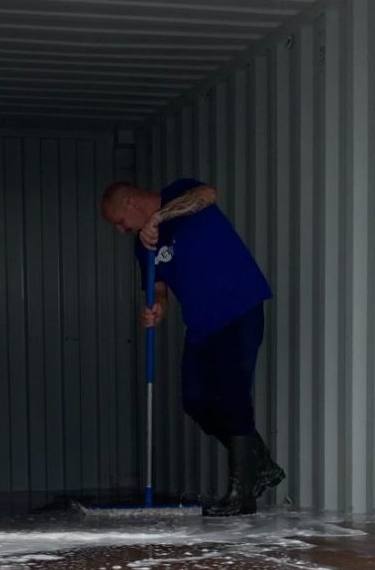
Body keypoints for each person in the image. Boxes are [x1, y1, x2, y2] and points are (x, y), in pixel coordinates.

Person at [99, 179, 285, 516]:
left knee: (233, 394)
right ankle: (260, 461)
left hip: (238, 308)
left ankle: (241, 494)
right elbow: (158, 291)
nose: (120, 229)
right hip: (201, 323)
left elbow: (208, 195)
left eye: (118, 221)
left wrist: (159, 218)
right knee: (196, 400)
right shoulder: (144, 247)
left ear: (131, 203)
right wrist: (155, 309)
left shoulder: (179, 194)